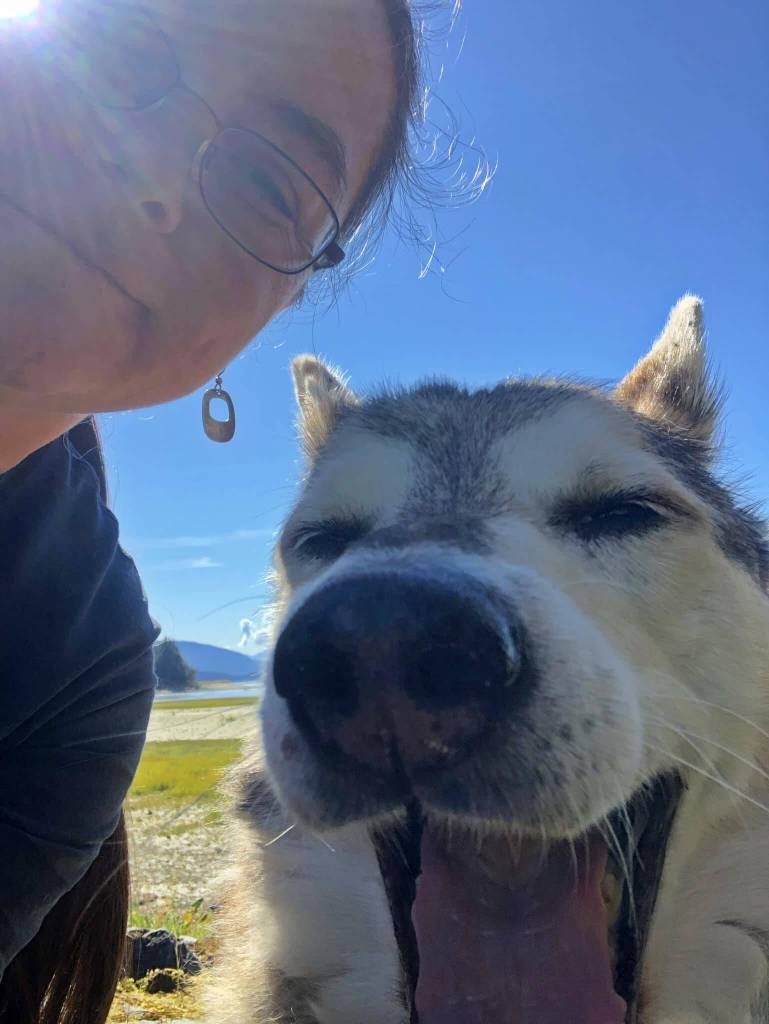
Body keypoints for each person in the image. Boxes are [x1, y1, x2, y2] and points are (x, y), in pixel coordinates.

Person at [0, 1, 455, 1020]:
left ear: (274, 308)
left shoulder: (84, 668)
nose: (152, 185)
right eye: (120, 57)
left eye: (264, 183)